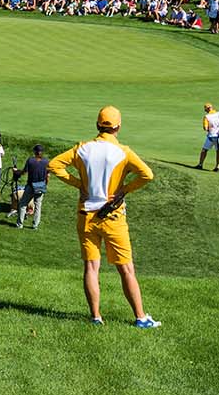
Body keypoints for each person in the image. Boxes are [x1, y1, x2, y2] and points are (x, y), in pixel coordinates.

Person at [48, 106, 160, 328]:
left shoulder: (82, 149)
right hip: (113, 217)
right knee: (126, 269)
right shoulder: (123, 152)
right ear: (118, 126)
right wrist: (125, 189)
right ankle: (140, 317)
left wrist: (78, 183)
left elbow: (54, 165)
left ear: (98, 125)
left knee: (91, 267)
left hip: (86, 215)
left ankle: (96, 317)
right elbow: (147, 175)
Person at [10, 144, 50, 229]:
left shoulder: (30, 160)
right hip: (41, 185)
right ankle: (35, 225)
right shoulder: (46, 162)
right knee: (38, 206)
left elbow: (24, 172)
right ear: (41, 152)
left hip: (31, 186)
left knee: (23, 204)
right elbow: (48, 176)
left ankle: (20, 224)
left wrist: (16, 172)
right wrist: (45, 184)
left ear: (35, 152)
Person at [196, 102, 219, 172]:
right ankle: (217, 167)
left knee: (204, 150)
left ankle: (200, 165)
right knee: (218, 151)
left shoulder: (206, 117)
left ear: (207, 109)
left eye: (205, 109)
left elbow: (205, 128)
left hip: (211, 136)